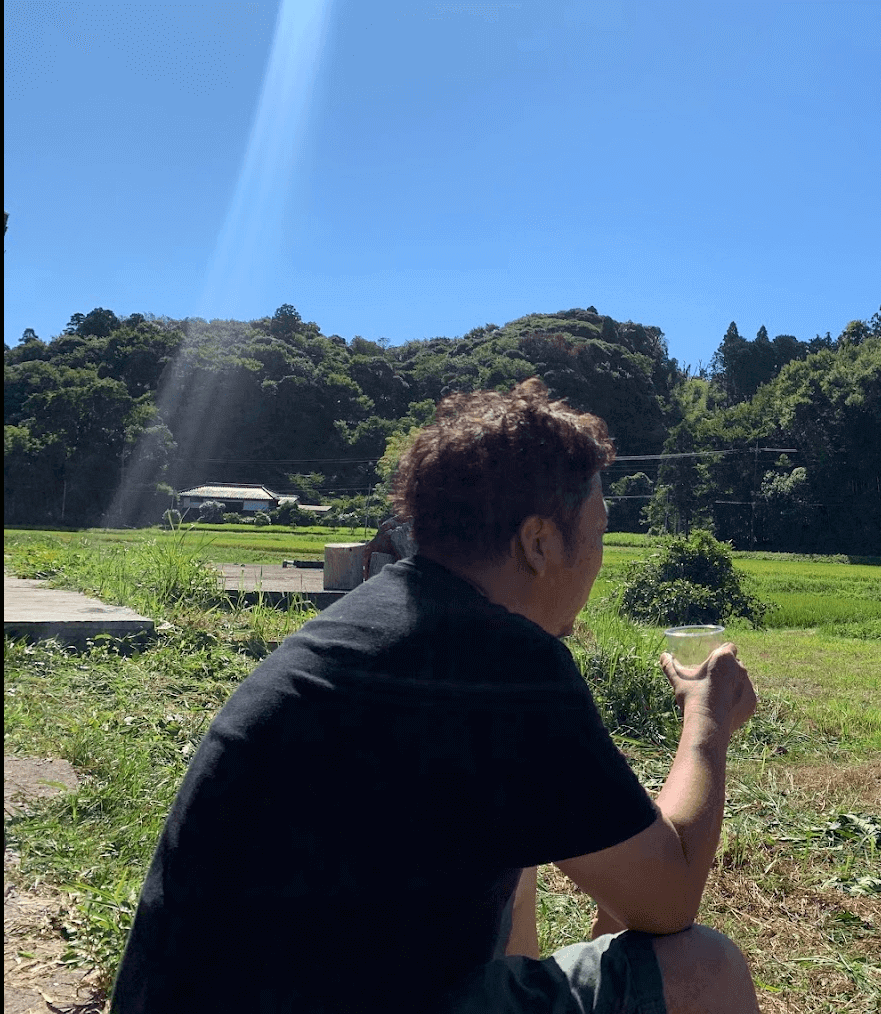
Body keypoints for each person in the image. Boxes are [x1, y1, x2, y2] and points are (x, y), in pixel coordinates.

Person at [111, 379, 762, 1014]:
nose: (597, 556)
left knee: (513, 848)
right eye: (598, 533)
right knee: (705, 969)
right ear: (539, 542)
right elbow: (670, 895)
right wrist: (706, 719)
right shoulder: (503, 662)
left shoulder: (374, 619)